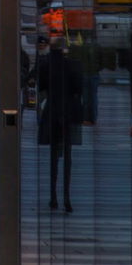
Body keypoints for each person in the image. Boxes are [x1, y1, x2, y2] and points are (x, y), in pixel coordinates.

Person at [36, 36, 83, 211]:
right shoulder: (74, 65)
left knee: (53, 157)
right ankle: (67, 198)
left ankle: (53, 197)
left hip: (52, 110)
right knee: (68, 157)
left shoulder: (46, 65)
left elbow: (40, 86)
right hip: (69, 111)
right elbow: (79, 88)